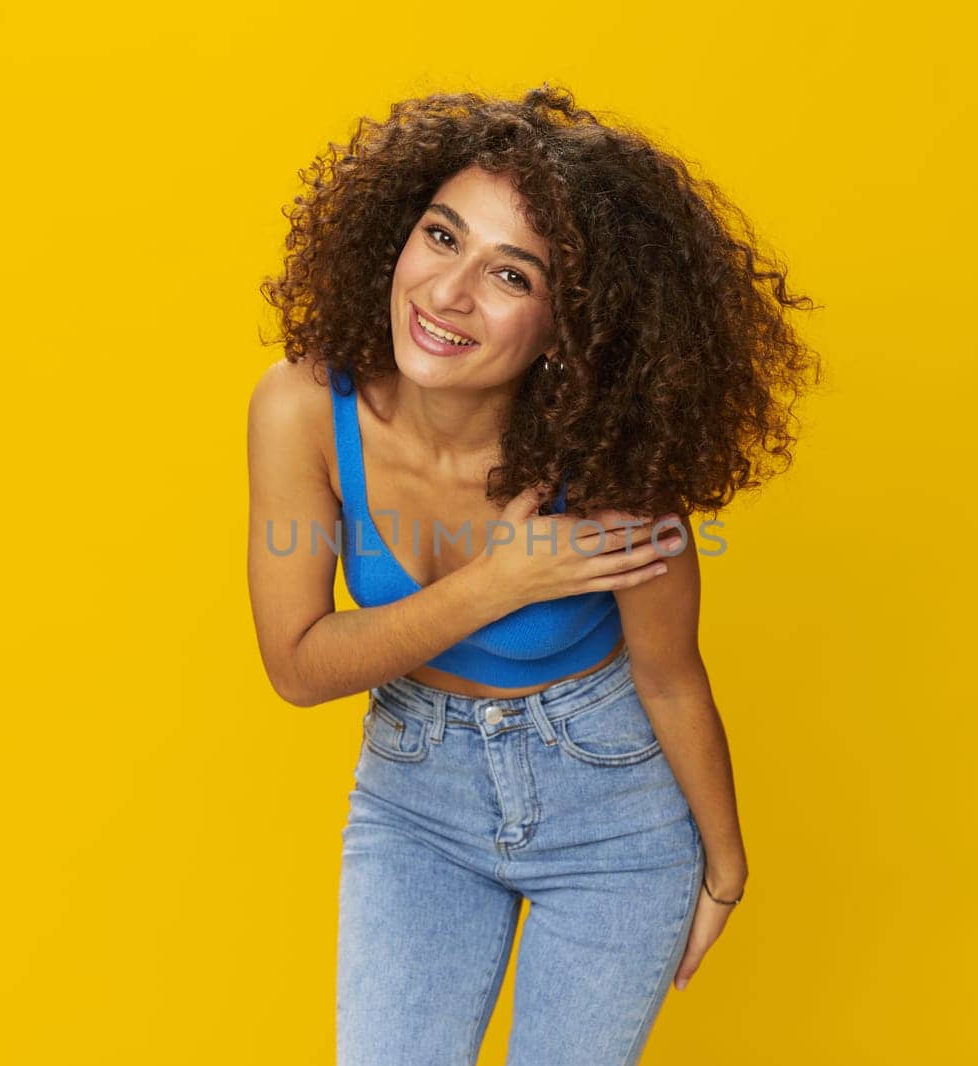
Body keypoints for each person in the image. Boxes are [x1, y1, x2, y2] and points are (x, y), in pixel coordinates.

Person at [247, 84, 822, 1065]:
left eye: (510, 276)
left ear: (569, 327)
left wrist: (723, 868)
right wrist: (497, 583)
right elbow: (298, 666)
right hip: (414, 801)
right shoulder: (302, 406)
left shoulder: (612, 465)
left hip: (613, 816)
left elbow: (670, 675)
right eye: (440, 237)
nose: (446, 294)